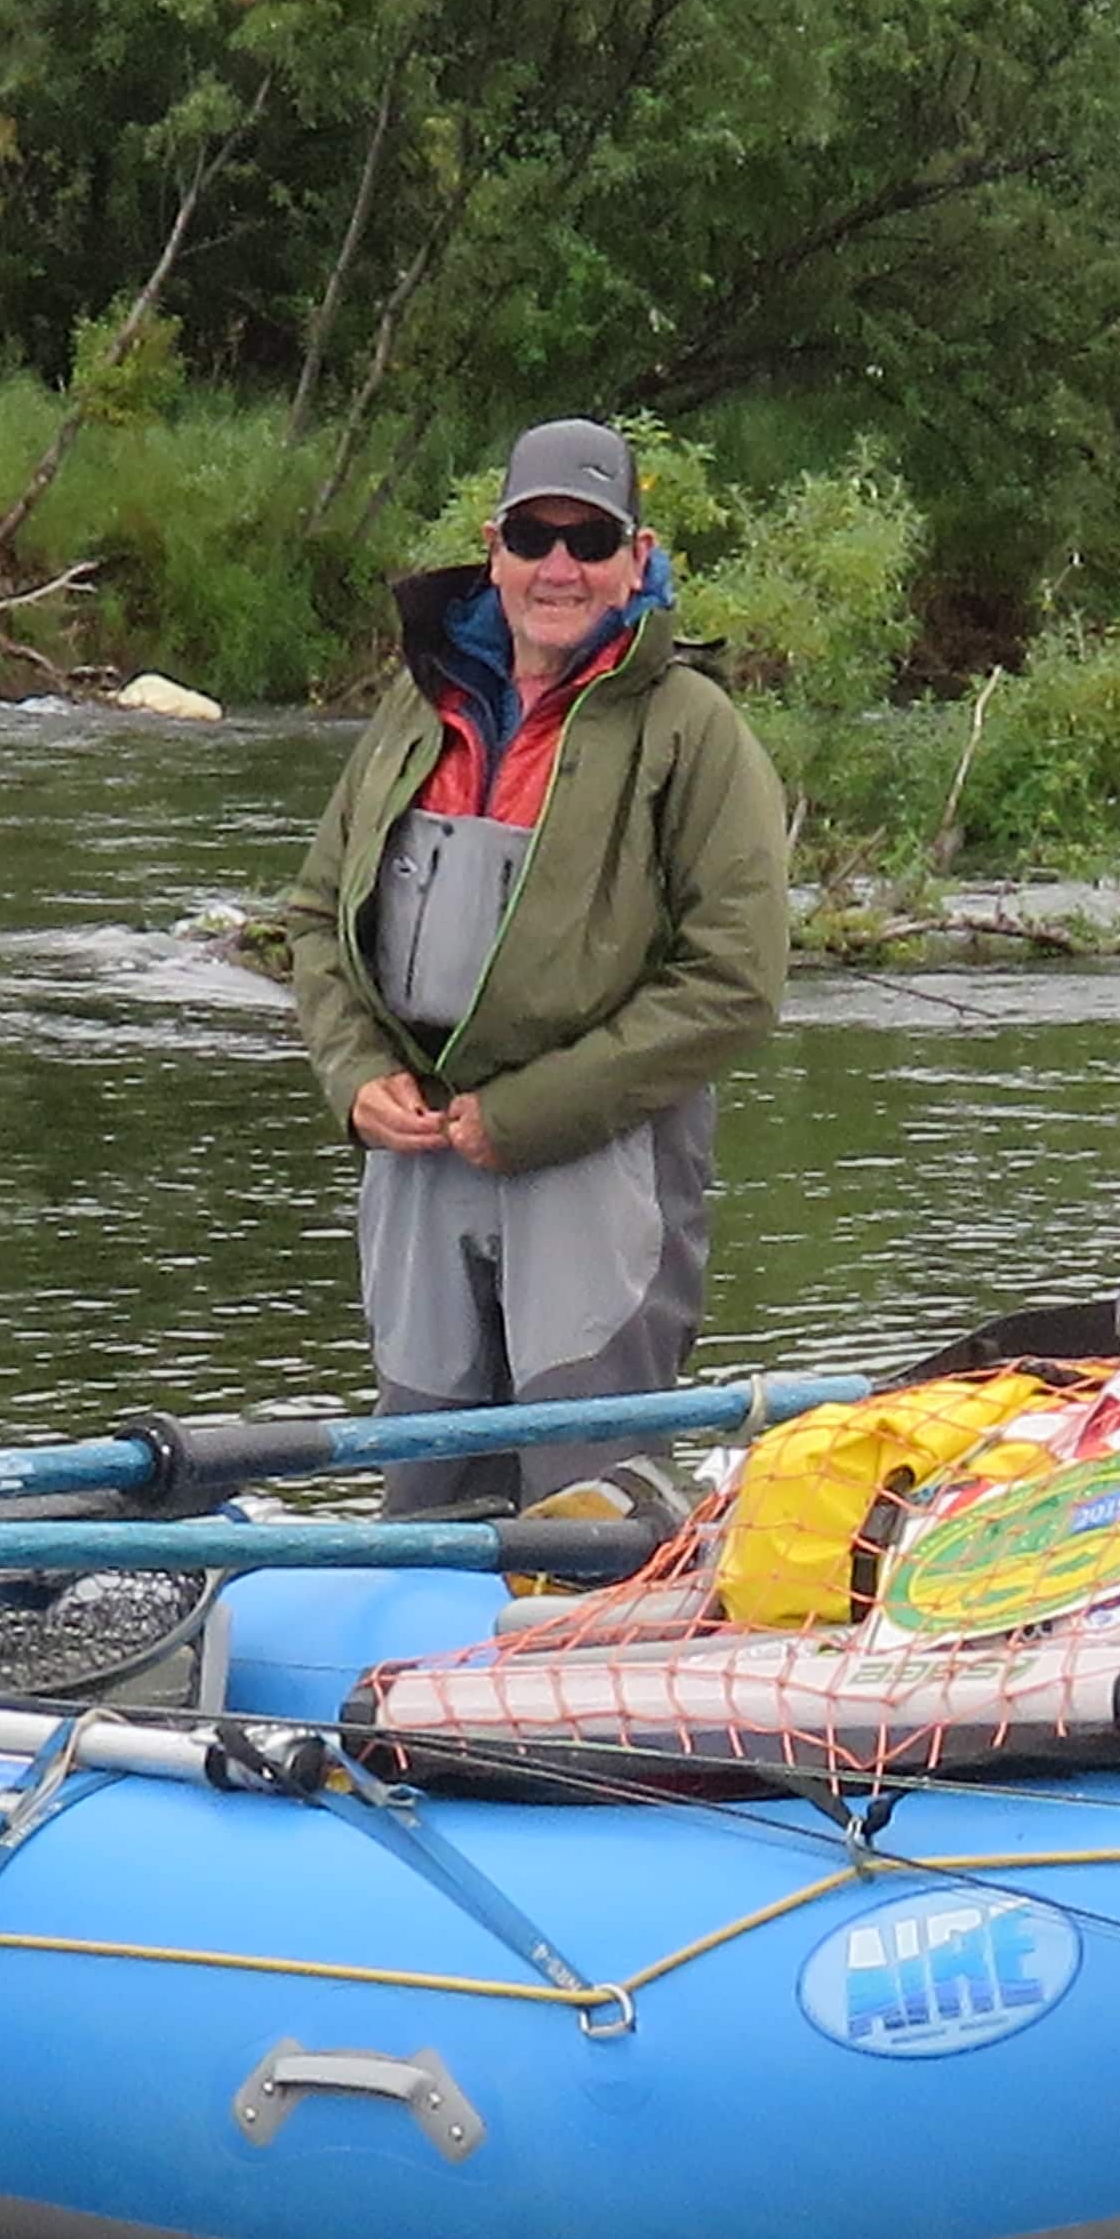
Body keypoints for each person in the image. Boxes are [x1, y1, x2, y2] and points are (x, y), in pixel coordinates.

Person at [276, 417, 791, 1512]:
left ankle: (587, 1669)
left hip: (599, 1161)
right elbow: (317, 914)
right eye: (535, 536)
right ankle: (401, 1673)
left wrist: (530, 1113)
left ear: (637, 558)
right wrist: (354, 1074)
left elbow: (736, 980)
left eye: (590, 539)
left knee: (584, 1493)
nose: (560, 566)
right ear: (493, 546)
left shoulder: (693, 729)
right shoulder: (419, 706)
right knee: (422, 1484)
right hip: (415, 1154)